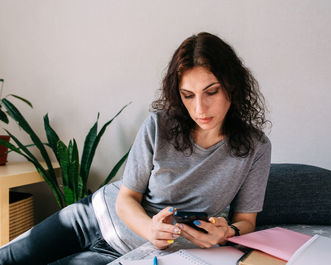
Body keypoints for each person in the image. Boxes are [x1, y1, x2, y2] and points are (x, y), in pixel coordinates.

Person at [0, 32, 271, 265]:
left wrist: (227, 232)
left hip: (131, 251)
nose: (199, 108)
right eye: (188, 95)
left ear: (232, 88)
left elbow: (246, 220)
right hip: (92, 216)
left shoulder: (255, 147)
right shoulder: (159, 125)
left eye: (211, 92)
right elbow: (126, 198)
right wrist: (149, 228)